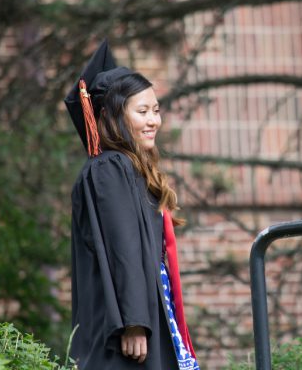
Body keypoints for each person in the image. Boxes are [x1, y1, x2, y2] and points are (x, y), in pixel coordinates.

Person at [64, 40, 199, 369]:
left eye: (156, 110)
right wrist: (133, 322)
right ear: (112, 117)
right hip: (128, 325)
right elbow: (123, 247)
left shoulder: (130, 170)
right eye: (142, 111)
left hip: (148, 311)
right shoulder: (110, 168)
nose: (154, 120)